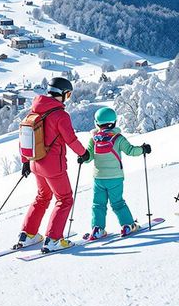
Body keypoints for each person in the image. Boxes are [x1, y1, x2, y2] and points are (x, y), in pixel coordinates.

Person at [16, 77, 89, 253]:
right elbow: (70, 139)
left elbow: (24, 138)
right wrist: (83, 153)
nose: (68, 98)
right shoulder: (60, 115)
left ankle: (27, 235)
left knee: (42, 197)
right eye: (68, 95)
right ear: (63, 94)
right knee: (64, 199)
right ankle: (54, 239)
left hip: (35, 163)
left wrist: (25, 162)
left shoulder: (33, 111)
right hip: (53, 167)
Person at [78, 106, 152, 240]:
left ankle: (97, 229)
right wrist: (143, 149)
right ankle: (128, 225)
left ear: (97, 123)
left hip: (98, 179)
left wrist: (82, 157)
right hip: (115, 178)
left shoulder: (93, 139)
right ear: (114, 122)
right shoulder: (118, 138)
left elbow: (88, 157)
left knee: (98, 204)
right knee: (118, 203)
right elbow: (131, 151)